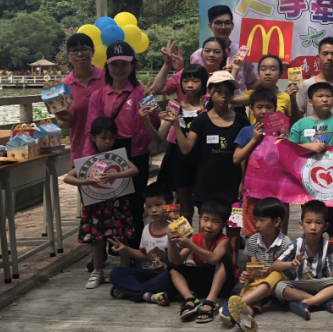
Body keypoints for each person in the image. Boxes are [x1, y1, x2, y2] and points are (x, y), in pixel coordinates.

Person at [84, 41, 160, 252]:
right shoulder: (98, 96)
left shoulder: (142, 93)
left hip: (136, 152)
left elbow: (155, 125)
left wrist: (149, 105)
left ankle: (135, 251)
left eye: (124, 64)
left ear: (132, 65)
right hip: (107, 152)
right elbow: (91, 130)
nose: (119, 69)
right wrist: (89, 162)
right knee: (106, 205)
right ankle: (107, 251)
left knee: (134, 204)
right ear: (107, 66)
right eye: (114, 64)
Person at [294, 37, 333, 264]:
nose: (329, 58)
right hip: (310, 166)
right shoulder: (305, 86)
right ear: (318, 56)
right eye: (325, 53)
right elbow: (297, 117)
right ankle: (312, 251)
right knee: (312, 210)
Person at [66, 117, 139, 289]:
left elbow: (134, 170)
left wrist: (114, 175)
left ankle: (125, 270)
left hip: (117, 202)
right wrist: (85, 182)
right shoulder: (89, 160)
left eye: (111, 138)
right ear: (92, 137)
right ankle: (97, 271)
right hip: (96, 204)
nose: (107, 142)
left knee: (120, 235)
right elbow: (68, 178)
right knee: (98, 239)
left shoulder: (117, 157)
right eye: (103, 137)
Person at [170, 71, 250, 208]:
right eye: (219, 92)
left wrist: (243, 181)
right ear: (209, 92)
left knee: (233, 221)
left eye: (228, 92)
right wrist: (176, 124)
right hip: (206, 184)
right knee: (207, 220)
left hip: (233, 183)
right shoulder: (201, 121)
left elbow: (245, 156)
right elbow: (186, 148)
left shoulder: (241, 121)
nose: (223, 96)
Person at [220, 197, 293, 332]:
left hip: (281, 280)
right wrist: (248, 274)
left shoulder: (285, 242)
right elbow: (253, 266)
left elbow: (285, 267)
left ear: (277, 222)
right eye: (256, 220)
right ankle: (246, 317)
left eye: (262, 220)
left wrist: (271, 269)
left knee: (275, 275)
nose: (257, 224)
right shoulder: (253, 240)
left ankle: (235, 305)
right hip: (260, 281)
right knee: (251, 291)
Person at [274, 201, 333, 320]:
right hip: (300, 285)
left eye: (318, 223)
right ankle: (323, 301)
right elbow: (275, 265)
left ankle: (307, 302)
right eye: (308, 222)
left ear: (325, 226)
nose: (313, 227)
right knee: (279, 287)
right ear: (301, 224)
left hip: (321, 284)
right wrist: (291, 264)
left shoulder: (328, 246)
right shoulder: (296, 244)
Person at [168, 198, 238, 323]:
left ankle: (211, 301)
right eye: (206, 219)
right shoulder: (195, 238)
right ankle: (189, 299)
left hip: (224, 284)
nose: (209, 225)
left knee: (222, 258)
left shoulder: (223, 241)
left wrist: (190, 245)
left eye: (215, 221)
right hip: (202, 282)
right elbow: (177, 261)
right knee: (173, 267)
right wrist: (171, 242)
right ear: (200, 218)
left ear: (223, 225)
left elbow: (213, 259)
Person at [153, 64, 207, 223]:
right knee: (183, 208)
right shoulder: (174, 106)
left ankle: (201, 238)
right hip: (179, 160)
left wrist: (206, 119)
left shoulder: (208, 107)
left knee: (204, 209)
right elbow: (159, 137)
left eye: (195, 81)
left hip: (202, 160)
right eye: (186, 81)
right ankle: (177, 237)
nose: (190, 85)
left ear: (204, 83)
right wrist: (146, 119)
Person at [233, 88, 287, 236]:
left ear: (275, 109)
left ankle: (276, 251)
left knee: (276, 227)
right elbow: (236, 159)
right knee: (252, 229)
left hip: (276, 188)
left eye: (269, 107)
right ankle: (253, 252)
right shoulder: (246, 131)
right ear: (251, 109)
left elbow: (286, 161)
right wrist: (253, 140)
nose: (264, 111)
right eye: (259, 107)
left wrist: (285, 144)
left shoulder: (281, 131)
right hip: (252, 188)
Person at [107, 184, 173, 305]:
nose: (153, 210)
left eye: (158, 205)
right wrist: (125, 249)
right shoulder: (147, 229)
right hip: (151, 273)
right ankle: (146, 295)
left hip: (170, 274)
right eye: (149, 206)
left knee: (169, 278)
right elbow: (144, 256)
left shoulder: (177, 227)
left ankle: (129, 290)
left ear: (170, 203)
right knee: (116, 273)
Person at [55, 33, 106, 167]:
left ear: (92, 52)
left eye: (84, 49)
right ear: (68, 55)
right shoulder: (63, 86)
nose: (79, 54)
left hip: (110, 148)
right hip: (81, 151)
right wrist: (63, 117)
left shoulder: (108, 78)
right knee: (83, 181)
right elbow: (65, 124)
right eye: (74, 50)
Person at [190, 5, 259, 94]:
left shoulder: (242, 52)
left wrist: (268, 74)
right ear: (210, 26)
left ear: (232, 26)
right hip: (207, 102)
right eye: (218, 23)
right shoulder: (197, 56)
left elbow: (250, 84)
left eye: (227, 23)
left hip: (238, 101)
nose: (223, 27)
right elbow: (191, 82)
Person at [232, 54, 298, 129]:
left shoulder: (286, 97)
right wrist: (235, 71)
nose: (267, 73)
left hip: (278, 136)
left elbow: (296, 123)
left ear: (280, 75)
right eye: (263, 69)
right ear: (258, 74)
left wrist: (293, 99)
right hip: (255, 136)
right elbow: (230, 99)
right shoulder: (252, 94)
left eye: (273, 69)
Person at [289, 82, 333, 153]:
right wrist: (308, 147)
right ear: (310, 102)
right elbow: (290, 148)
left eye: (328, 96)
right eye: (320, 96)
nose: (325, 100)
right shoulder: (299, 124)